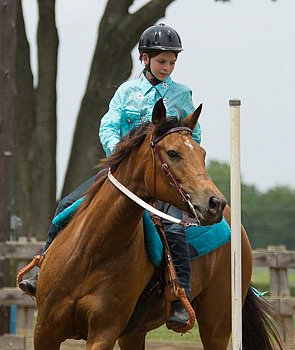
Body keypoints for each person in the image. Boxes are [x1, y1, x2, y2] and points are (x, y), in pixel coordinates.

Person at [20, 23, 200, 331]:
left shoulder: (183, 94)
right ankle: (43, 266)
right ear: (145, 59)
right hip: (123, 175)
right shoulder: (126, 92)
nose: (167, 67)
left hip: (163, 180)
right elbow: (108, 127)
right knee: (67, 204)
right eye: (161, 61)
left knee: (174, 229)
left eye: (172, 62)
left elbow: (192, 134)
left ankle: (178, 297)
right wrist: (121, 156)